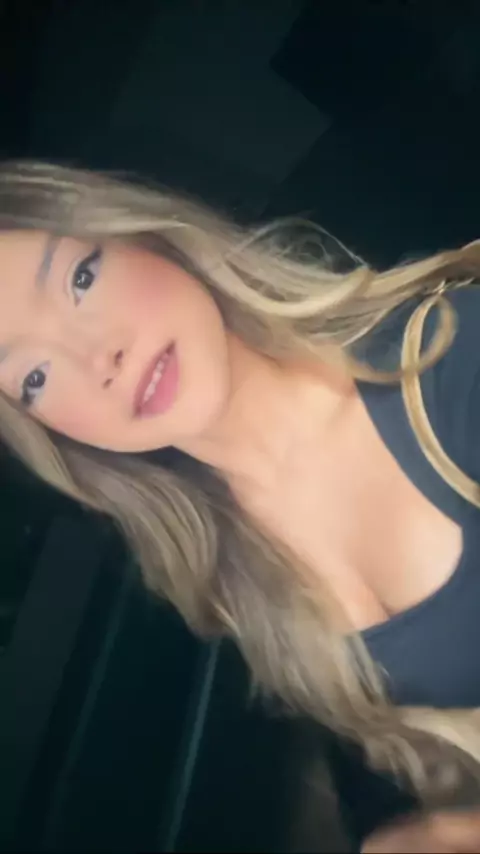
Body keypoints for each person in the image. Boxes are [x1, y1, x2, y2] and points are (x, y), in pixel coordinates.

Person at [1, 160, 480, 853]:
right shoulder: (224, 569)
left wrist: (449, 832)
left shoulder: (450, 364)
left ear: (150, 237)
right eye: (35, 377)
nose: (95, 357)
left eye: (80, 279)